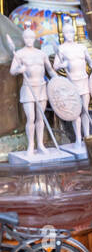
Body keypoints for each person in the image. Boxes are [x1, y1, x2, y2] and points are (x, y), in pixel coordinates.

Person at [9, 28, 55, 156]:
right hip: (28, 88)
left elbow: (50, 70)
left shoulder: (41, 54)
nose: (29, 40)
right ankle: (31, 145)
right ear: (24, 39)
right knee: (31, 118)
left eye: (31, 37)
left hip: (41, 87)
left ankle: (40, 144)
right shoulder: (19, 54)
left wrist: (58, 81)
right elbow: (12, 71)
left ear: (34, 38)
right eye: (26, 38)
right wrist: (19, 69)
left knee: (41, 117)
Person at [53, 23, 92, 147]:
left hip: (84, 81)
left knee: (85, 111)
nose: (69, 34)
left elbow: (91, 62)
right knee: (75, 112)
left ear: (74, 32)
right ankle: (78, 139)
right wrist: (63, 65)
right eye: (66, 32)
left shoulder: (82, 47)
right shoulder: (61, 49)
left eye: (71, 31)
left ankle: (87, 137)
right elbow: (55, 66)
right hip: (72, 83)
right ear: (63, 34)